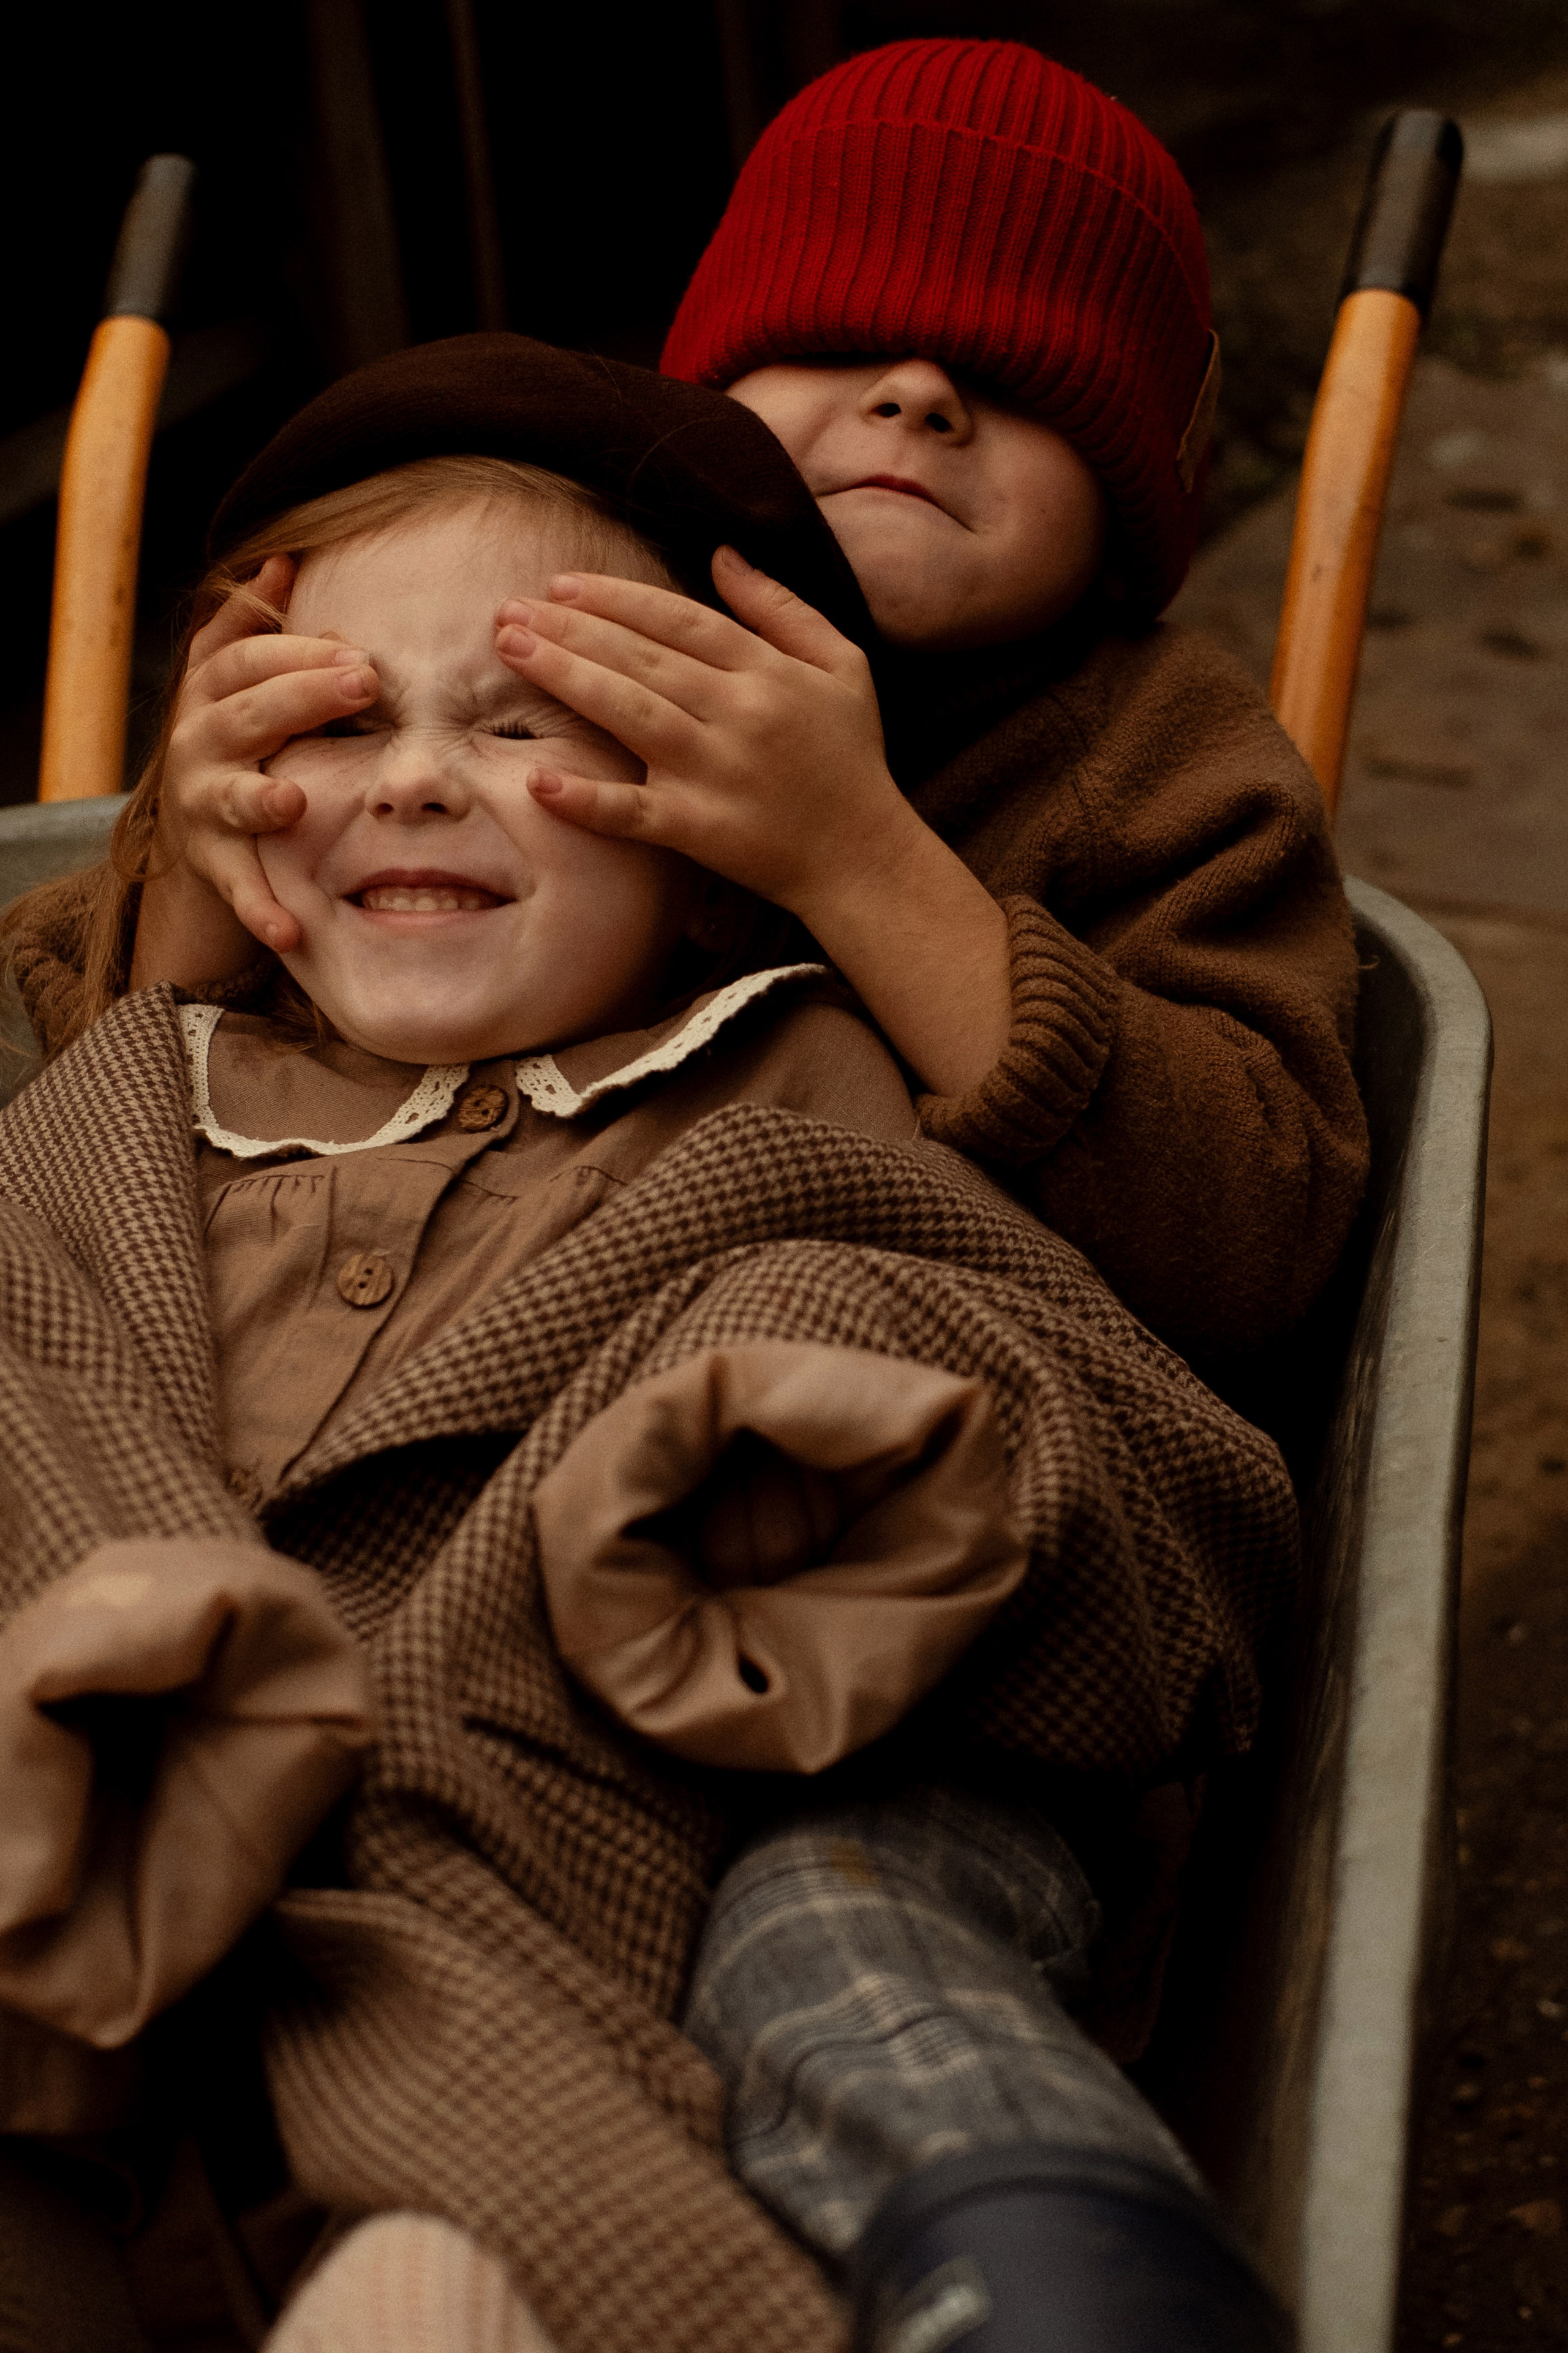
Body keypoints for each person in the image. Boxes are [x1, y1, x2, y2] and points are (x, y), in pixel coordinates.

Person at [0, 339, 1297, 2353]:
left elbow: (1098, 1415)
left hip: (558, 1944)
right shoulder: (155, 1087)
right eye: (334, 727)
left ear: (706, 843)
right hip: (76, 1936)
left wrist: (800, 1410)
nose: (419, 774)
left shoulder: (778, 1086)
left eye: (527, 725)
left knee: (587, 2160)